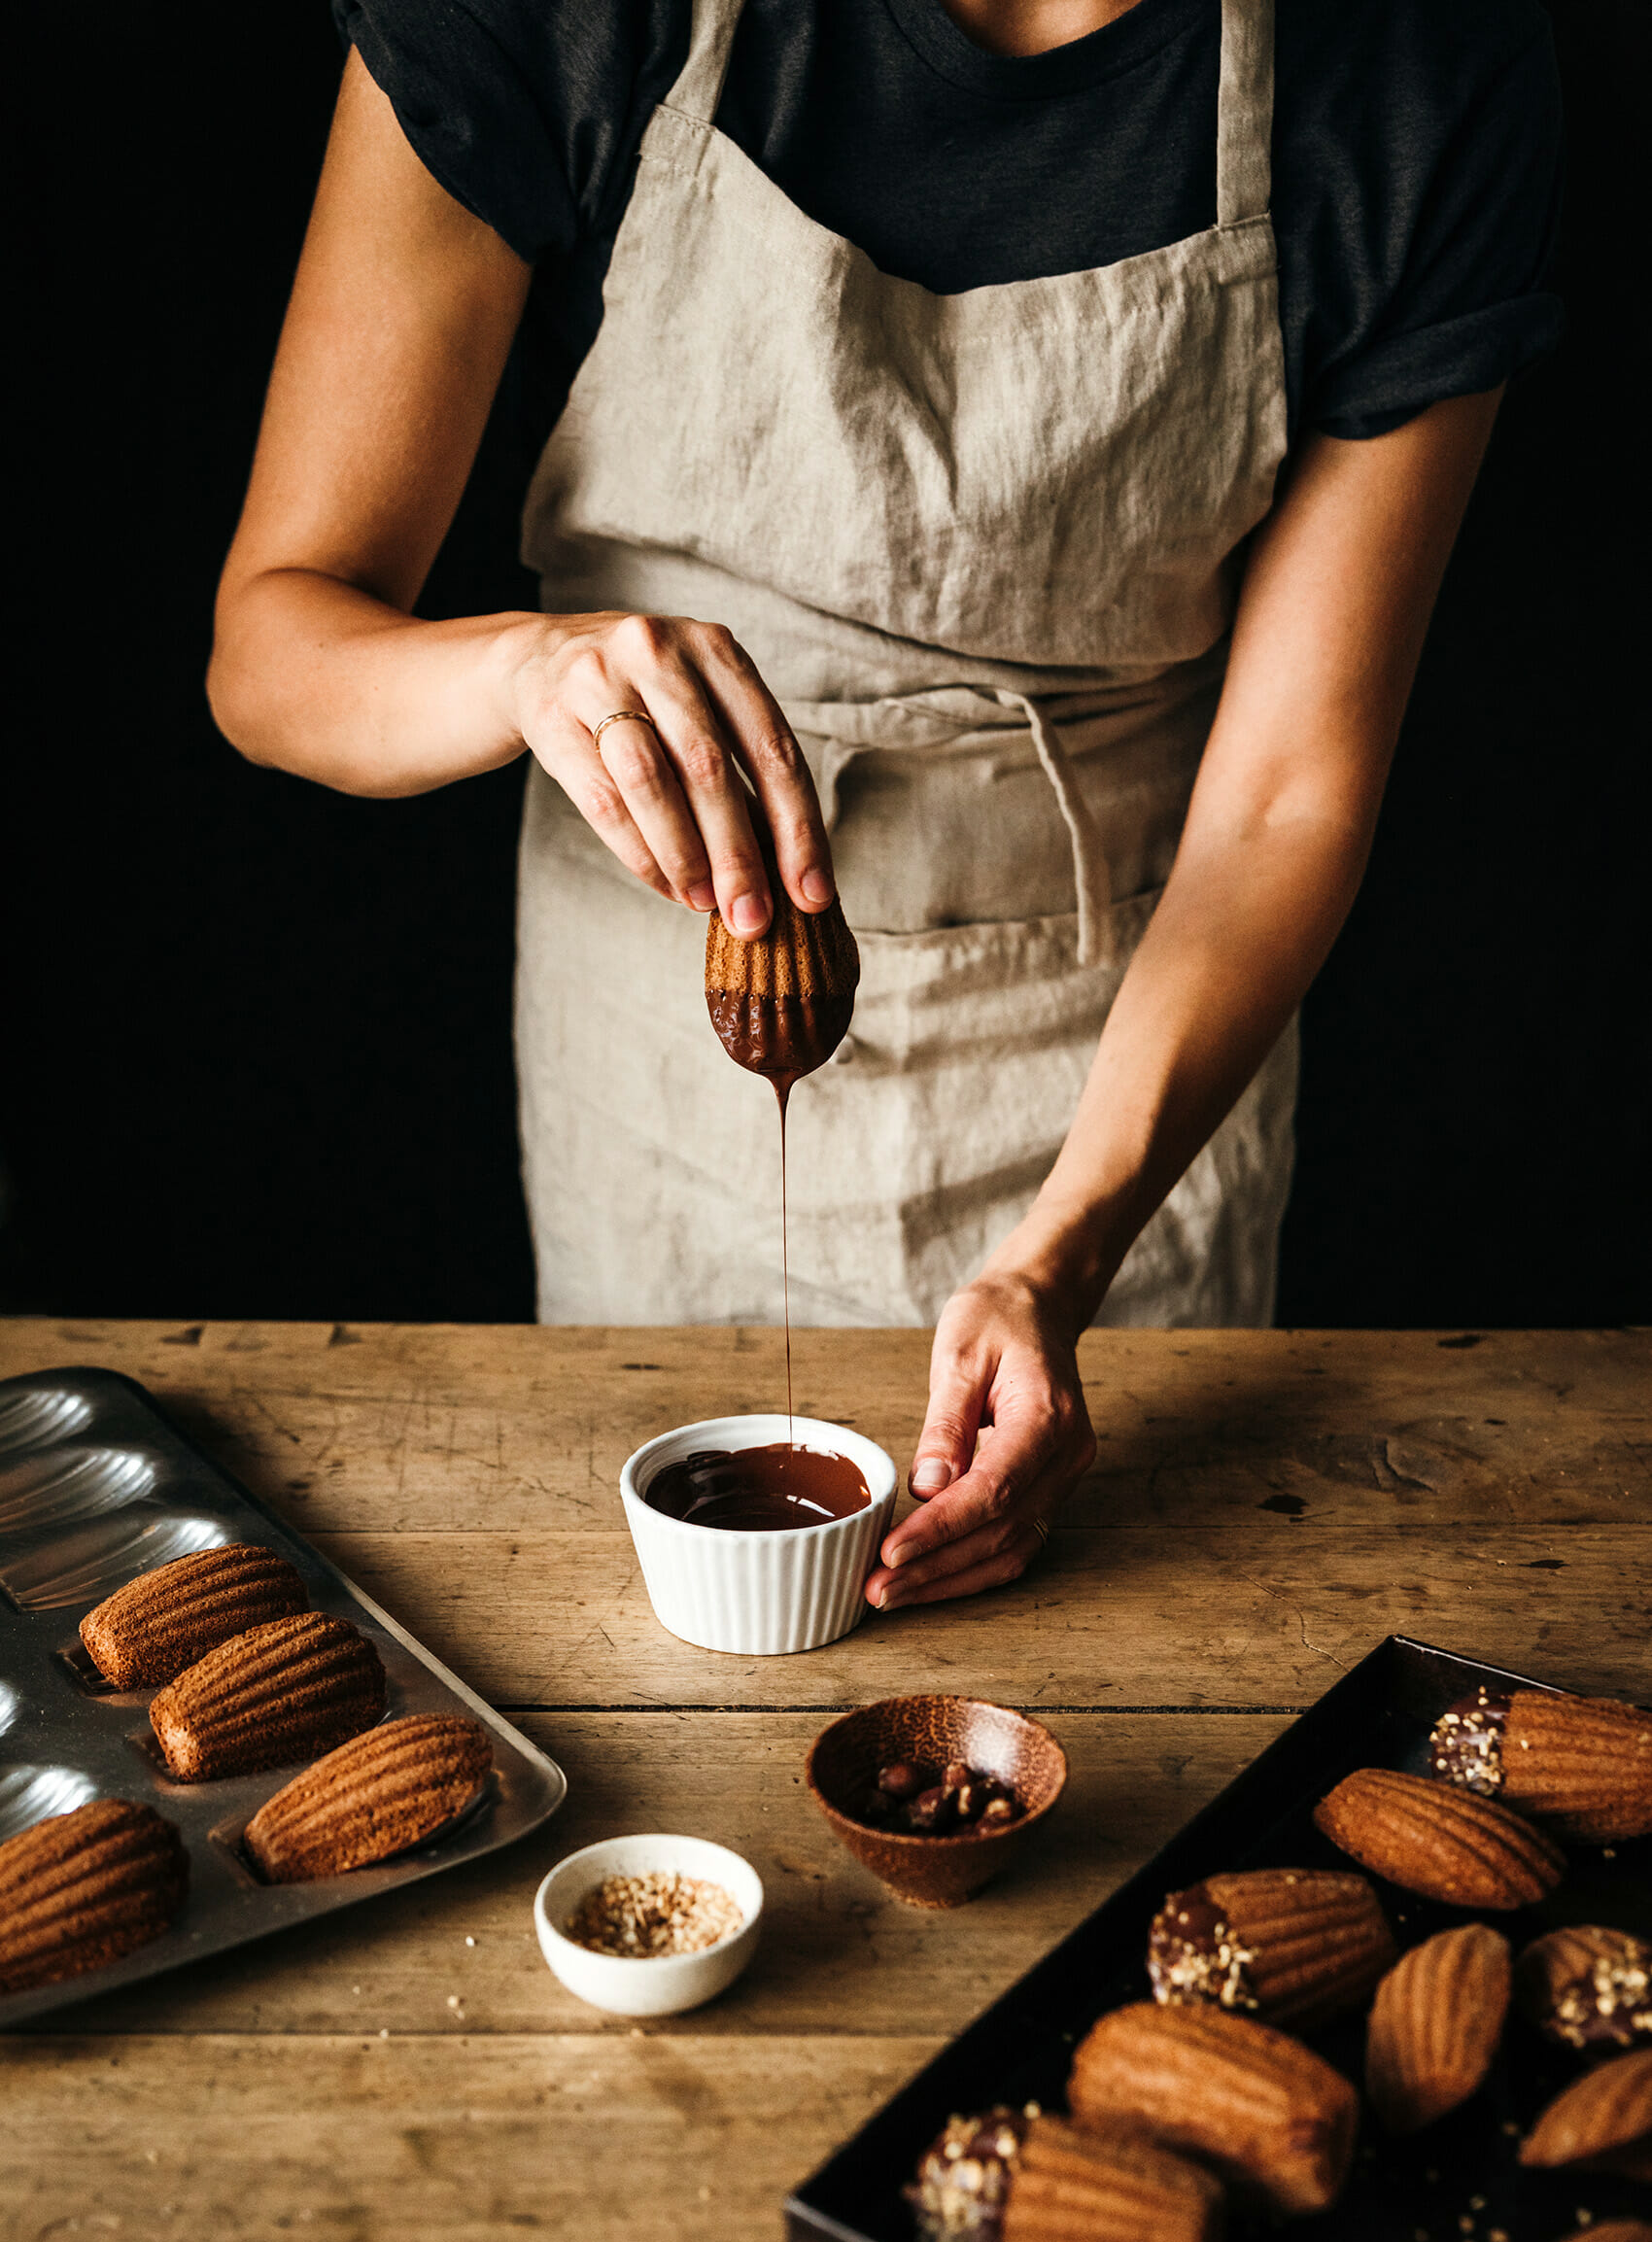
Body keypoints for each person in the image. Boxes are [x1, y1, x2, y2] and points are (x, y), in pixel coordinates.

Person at [209, 0, 1562, 1611]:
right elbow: (273, 648)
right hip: (654, 1039)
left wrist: (1063, 1254)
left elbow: (1284, 801)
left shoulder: (1425, 70)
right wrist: (517, 673)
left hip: (1113, 1057)